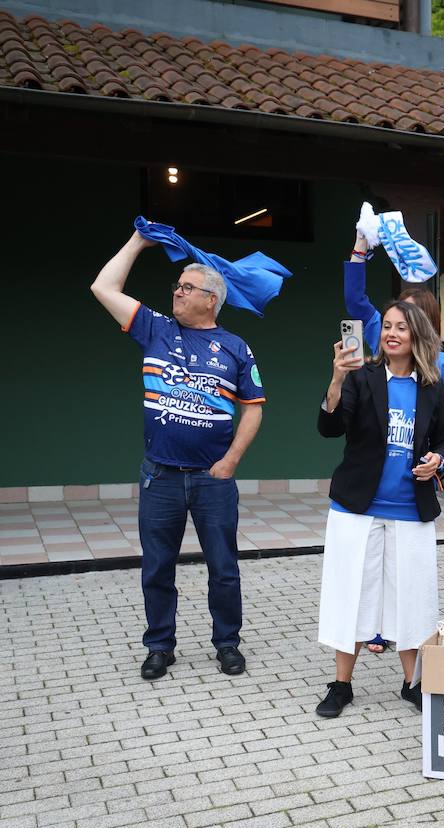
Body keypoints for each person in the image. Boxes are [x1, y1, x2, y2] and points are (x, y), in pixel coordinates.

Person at [90, 231, 265, 681]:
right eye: (176, 287)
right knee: (157, 568)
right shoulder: (156, 328)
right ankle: (159, 647)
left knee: (223, 569)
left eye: (186, 287)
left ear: (211, 300)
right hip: (160, 477)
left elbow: (252, 411)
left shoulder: (236, 347)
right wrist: (135, 243)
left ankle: (227, 643)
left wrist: (231, 462)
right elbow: (103, 289)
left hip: (213, 479)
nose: (177, 292)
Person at [314, 298, 444, 718]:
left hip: (411, 508)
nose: (391, 333)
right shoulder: (363, 377)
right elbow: (330, 427)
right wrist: (337, 379)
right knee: (350, 595)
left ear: (416, 335)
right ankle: (341, 685)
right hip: (358, 507)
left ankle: (412, 684)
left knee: (412, 598)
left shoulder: (431, 385)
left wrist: (438, 460)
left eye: (401, 327)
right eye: (387, 326)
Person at [347, 230, 444, 420]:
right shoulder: (384, 337)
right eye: (397, 313)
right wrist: (360, 246)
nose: (394, 330)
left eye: (406, 320)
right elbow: (355, 300)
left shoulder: (442, 362)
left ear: (425, 324)